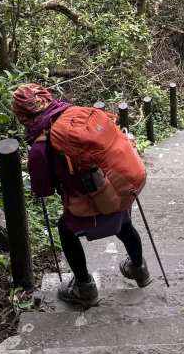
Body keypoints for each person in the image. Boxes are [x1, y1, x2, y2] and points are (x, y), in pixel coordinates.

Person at [12, 83, 150, 308]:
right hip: (118, 187)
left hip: (89, 204)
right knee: (124, 225)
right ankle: (139, 269)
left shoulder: (40, 146)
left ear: (23, 116)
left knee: (66, 230)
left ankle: (85, 287)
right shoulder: (76, 113)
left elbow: (43, 190)